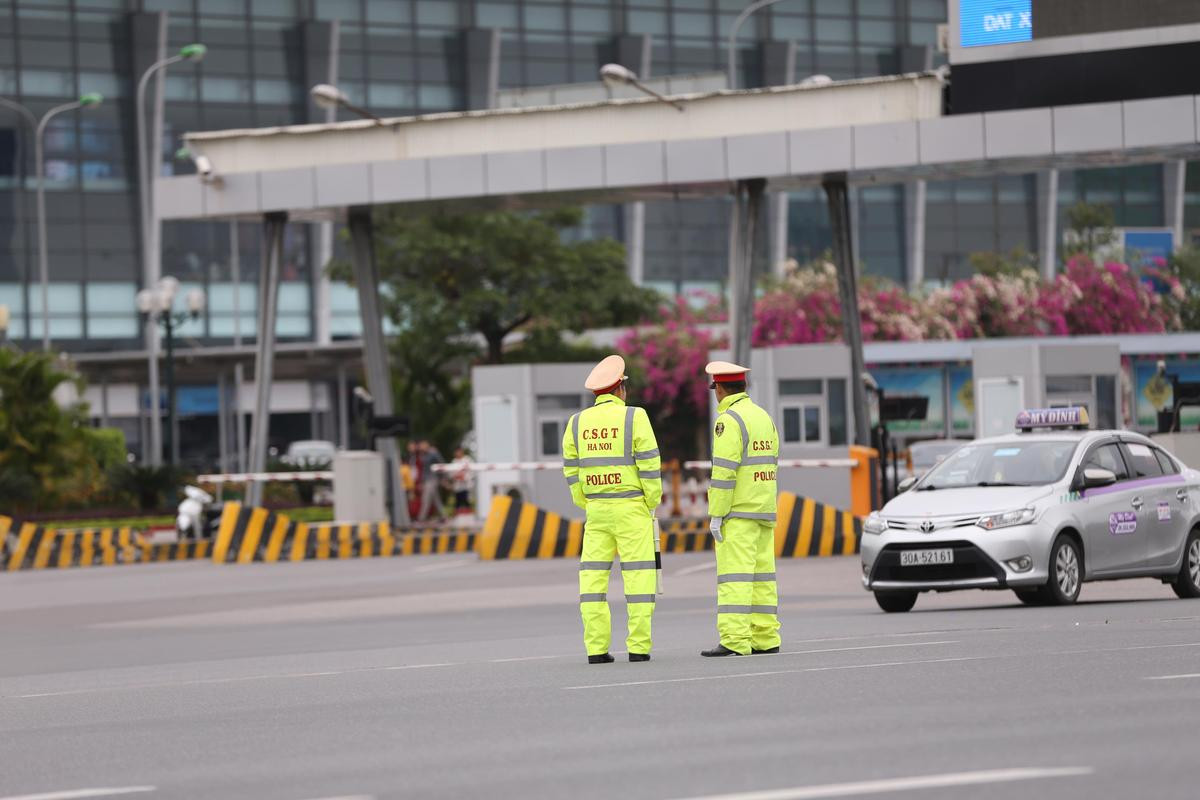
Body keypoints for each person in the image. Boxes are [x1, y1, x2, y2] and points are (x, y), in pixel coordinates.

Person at [562, 354, 662, 664]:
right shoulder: (635, 417)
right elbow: (649, 464)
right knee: (639, 580)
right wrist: (651, 501)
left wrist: (587, 502)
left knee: (592, 582)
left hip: (596, 511)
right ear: (620, 387)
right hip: (632, 507)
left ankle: (596, 649)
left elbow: (571, 471)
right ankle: (639, 648)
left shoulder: (576, 422)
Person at [701, 360, 782, 658]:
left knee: (735, 577)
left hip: (738, 513)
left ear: (719, 389)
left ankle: (734, 640)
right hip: (764, 509)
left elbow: (724, 472)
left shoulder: (728, 422)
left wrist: (717, 514)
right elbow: (771, 462)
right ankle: (766, 637)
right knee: (763, 578)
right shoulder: (764, 417)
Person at [417, 440, 446, 522]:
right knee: (435, 499)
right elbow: (424, 469)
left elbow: (441, 463)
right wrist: (422, 481)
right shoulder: (423, 455)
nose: (421, 447)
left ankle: (421, 518)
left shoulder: (433, 453)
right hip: (426, 479)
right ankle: (444, 516)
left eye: (422, 445)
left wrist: (442, 477)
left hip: (433, 478)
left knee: (425, 498)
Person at [450, 446, 474, 515]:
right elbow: (451, 474)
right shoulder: (454, 461)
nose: (458, 453)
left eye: (459, 452)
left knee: (466, 501)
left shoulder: (467, 460)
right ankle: (457, 517)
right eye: (456, 452)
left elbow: (471, 472)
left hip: (466, 485)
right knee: (458, 502)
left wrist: (465, 477)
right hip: (457, 485)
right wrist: (456, 476)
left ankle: (469, 517)